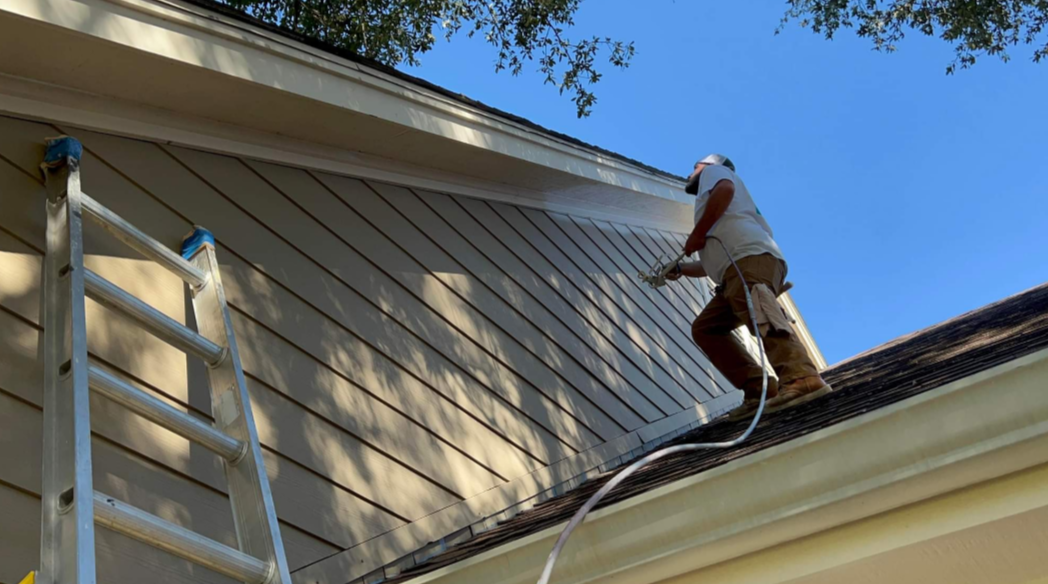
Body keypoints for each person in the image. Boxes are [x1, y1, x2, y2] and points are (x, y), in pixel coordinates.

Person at [666, 154, 831, 420]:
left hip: (749, 261)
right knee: (706, 329)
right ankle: (760, 390)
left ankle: (802, 378)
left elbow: (726, 189)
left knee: (761, 312)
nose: (690, 173)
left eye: (694, 167)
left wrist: (698, 233)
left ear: (710, 165)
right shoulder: (722, 216)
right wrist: (682, 269)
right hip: (736, 269)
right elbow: (711, 266)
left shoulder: (715, 174)